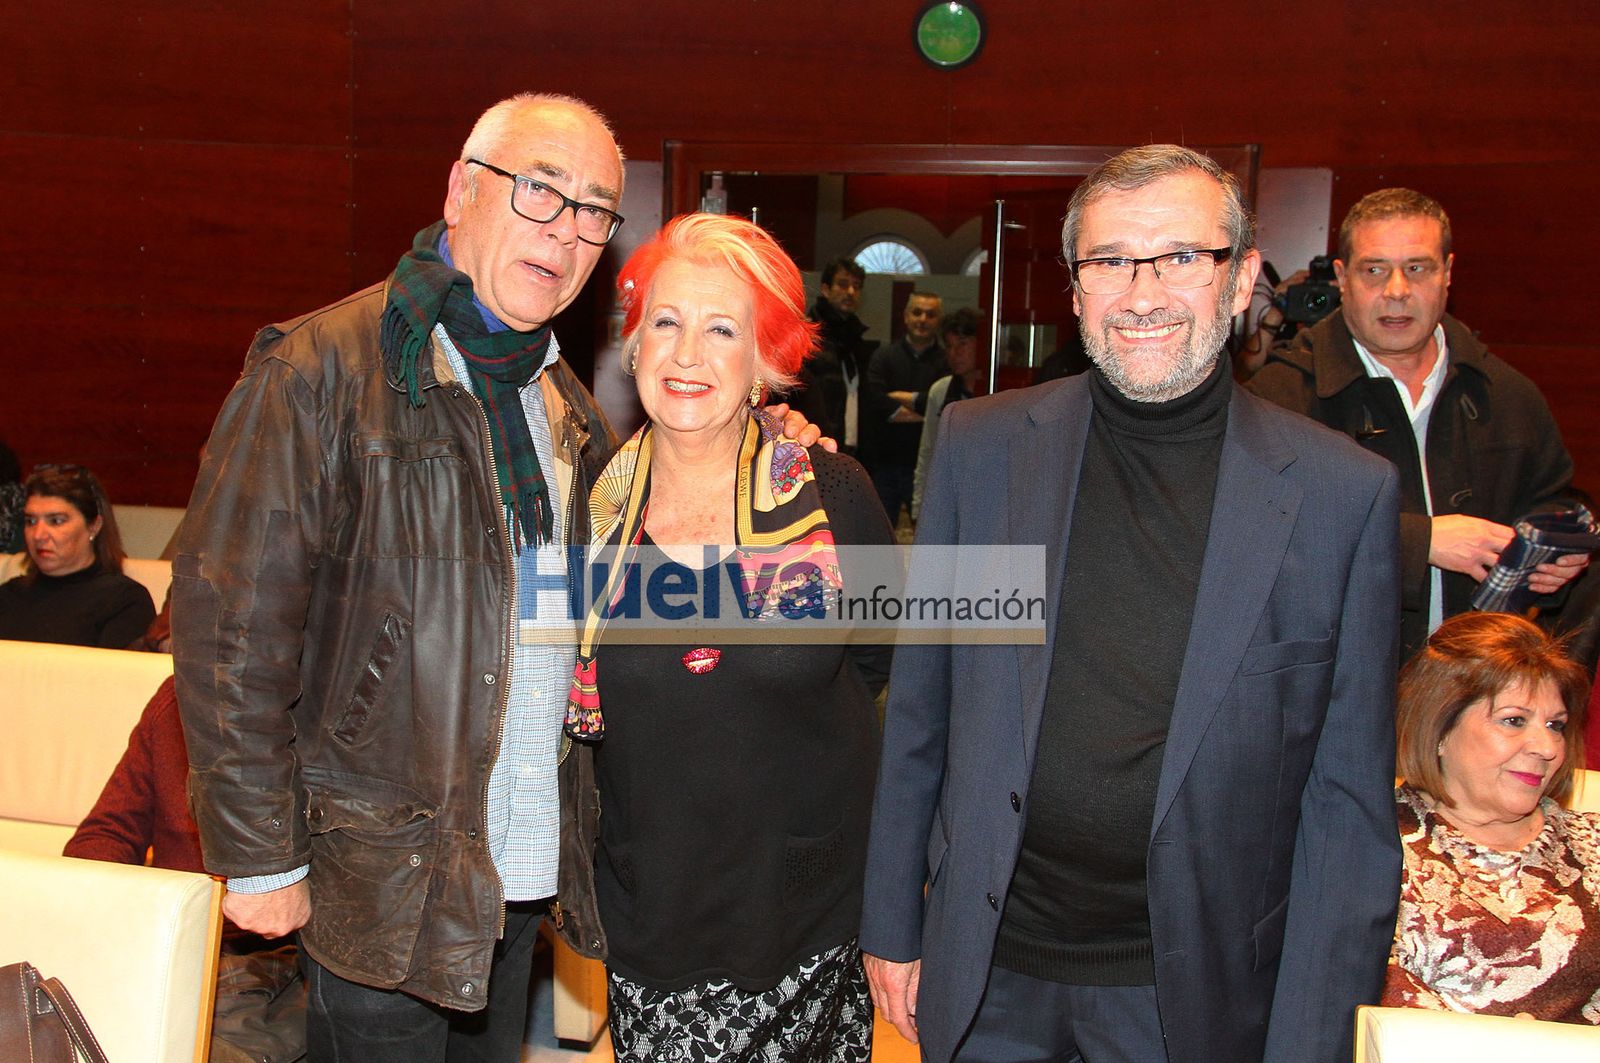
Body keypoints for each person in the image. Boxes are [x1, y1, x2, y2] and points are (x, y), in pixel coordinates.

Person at [170, 94, 824, 1063]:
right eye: (540, 194)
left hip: (518, 865)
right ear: (461, 190)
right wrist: (261, 856)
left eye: (593, 213)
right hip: (380, 874)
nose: (564, 233)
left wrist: (764, 439)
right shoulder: (321, 369)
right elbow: (229, 631)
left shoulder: (562, 404)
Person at [860, 144, 1404, 1063]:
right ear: (1075, 291)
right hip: (991, 967)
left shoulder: (1337, 496)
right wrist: (892, 921)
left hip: (1192, 992)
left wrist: (1313, 1038)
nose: (1143, 292)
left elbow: (1347, 812)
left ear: (1240, 284)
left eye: (1184, 257)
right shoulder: (987, 449)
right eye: (1111, 261)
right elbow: (925, 707)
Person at [562, 213, 892, 1060]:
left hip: (807, 919)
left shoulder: (831, 495)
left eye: (722, 330)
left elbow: (880, 665)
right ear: (633, 348)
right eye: (665, 323)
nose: (686, 354)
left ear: (763, 360)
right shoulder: (590, 509)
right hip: (654, 916)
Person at [1248, 189, 1588, 659]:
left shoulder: (1506, 394)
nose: (1396, 291)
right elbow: (1257, 541)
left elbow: (1556, 500)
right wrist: (1419, 541)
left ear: (1447, 273)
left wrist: (1556, 557)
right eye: (1374, 269)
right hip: (1338, 692)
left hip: (1475, 691)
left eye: (1417, 268)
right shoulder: (1280, 400)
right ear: (1343, 278)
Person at [64, 676, 307, 1063]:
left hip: (273, 958)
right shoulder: (179, 699)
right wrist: (101, 917)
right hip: (168, 945)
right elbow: (106, 832)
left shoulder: (317, 704)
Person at [1386, 611, 1598, 1022]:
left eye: (1555, 725)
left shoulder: (1591, 844)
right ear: (1440, 728)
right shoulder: (1369, 847)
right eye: (1514, 720)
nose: (1547, 747)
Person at [0, 464, 154, 647]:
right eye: (31, 521)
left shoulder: (124, 601)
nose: (38, 535)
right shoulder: (9, 596)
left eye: (56, 521)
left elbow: (111, 673)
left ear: (94, 526)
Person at [862, 290, 945, 526]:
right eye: (917, 312)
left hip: (928, 468)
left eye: (930, 314)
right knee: (878, 541)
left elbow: (946, 405)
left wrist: (899, 398)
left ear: (938, 320)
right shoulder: (883, 356)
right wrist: (927, 412)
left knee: (928, 536)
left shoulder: (947, 361)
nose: (922, 319)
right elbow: (876, 400)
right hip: (883, 465)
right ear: (906, 316)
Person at [794, 256, 875, 454]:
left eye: (856, 286)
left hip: (851, 441)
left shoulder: (857, 340)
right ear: (825, 289)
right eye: (843, 284)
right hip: (812, 440)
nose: (850, 292)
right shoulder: (807, 335)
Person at [911, 307, 983, 522]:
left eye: (962, 344)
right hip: (950, 499)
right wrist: (918, 509)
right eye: (949, 346)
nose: (955, 354)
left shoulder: (1000, 389)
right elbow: (927, 452)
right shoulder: (941, 391)